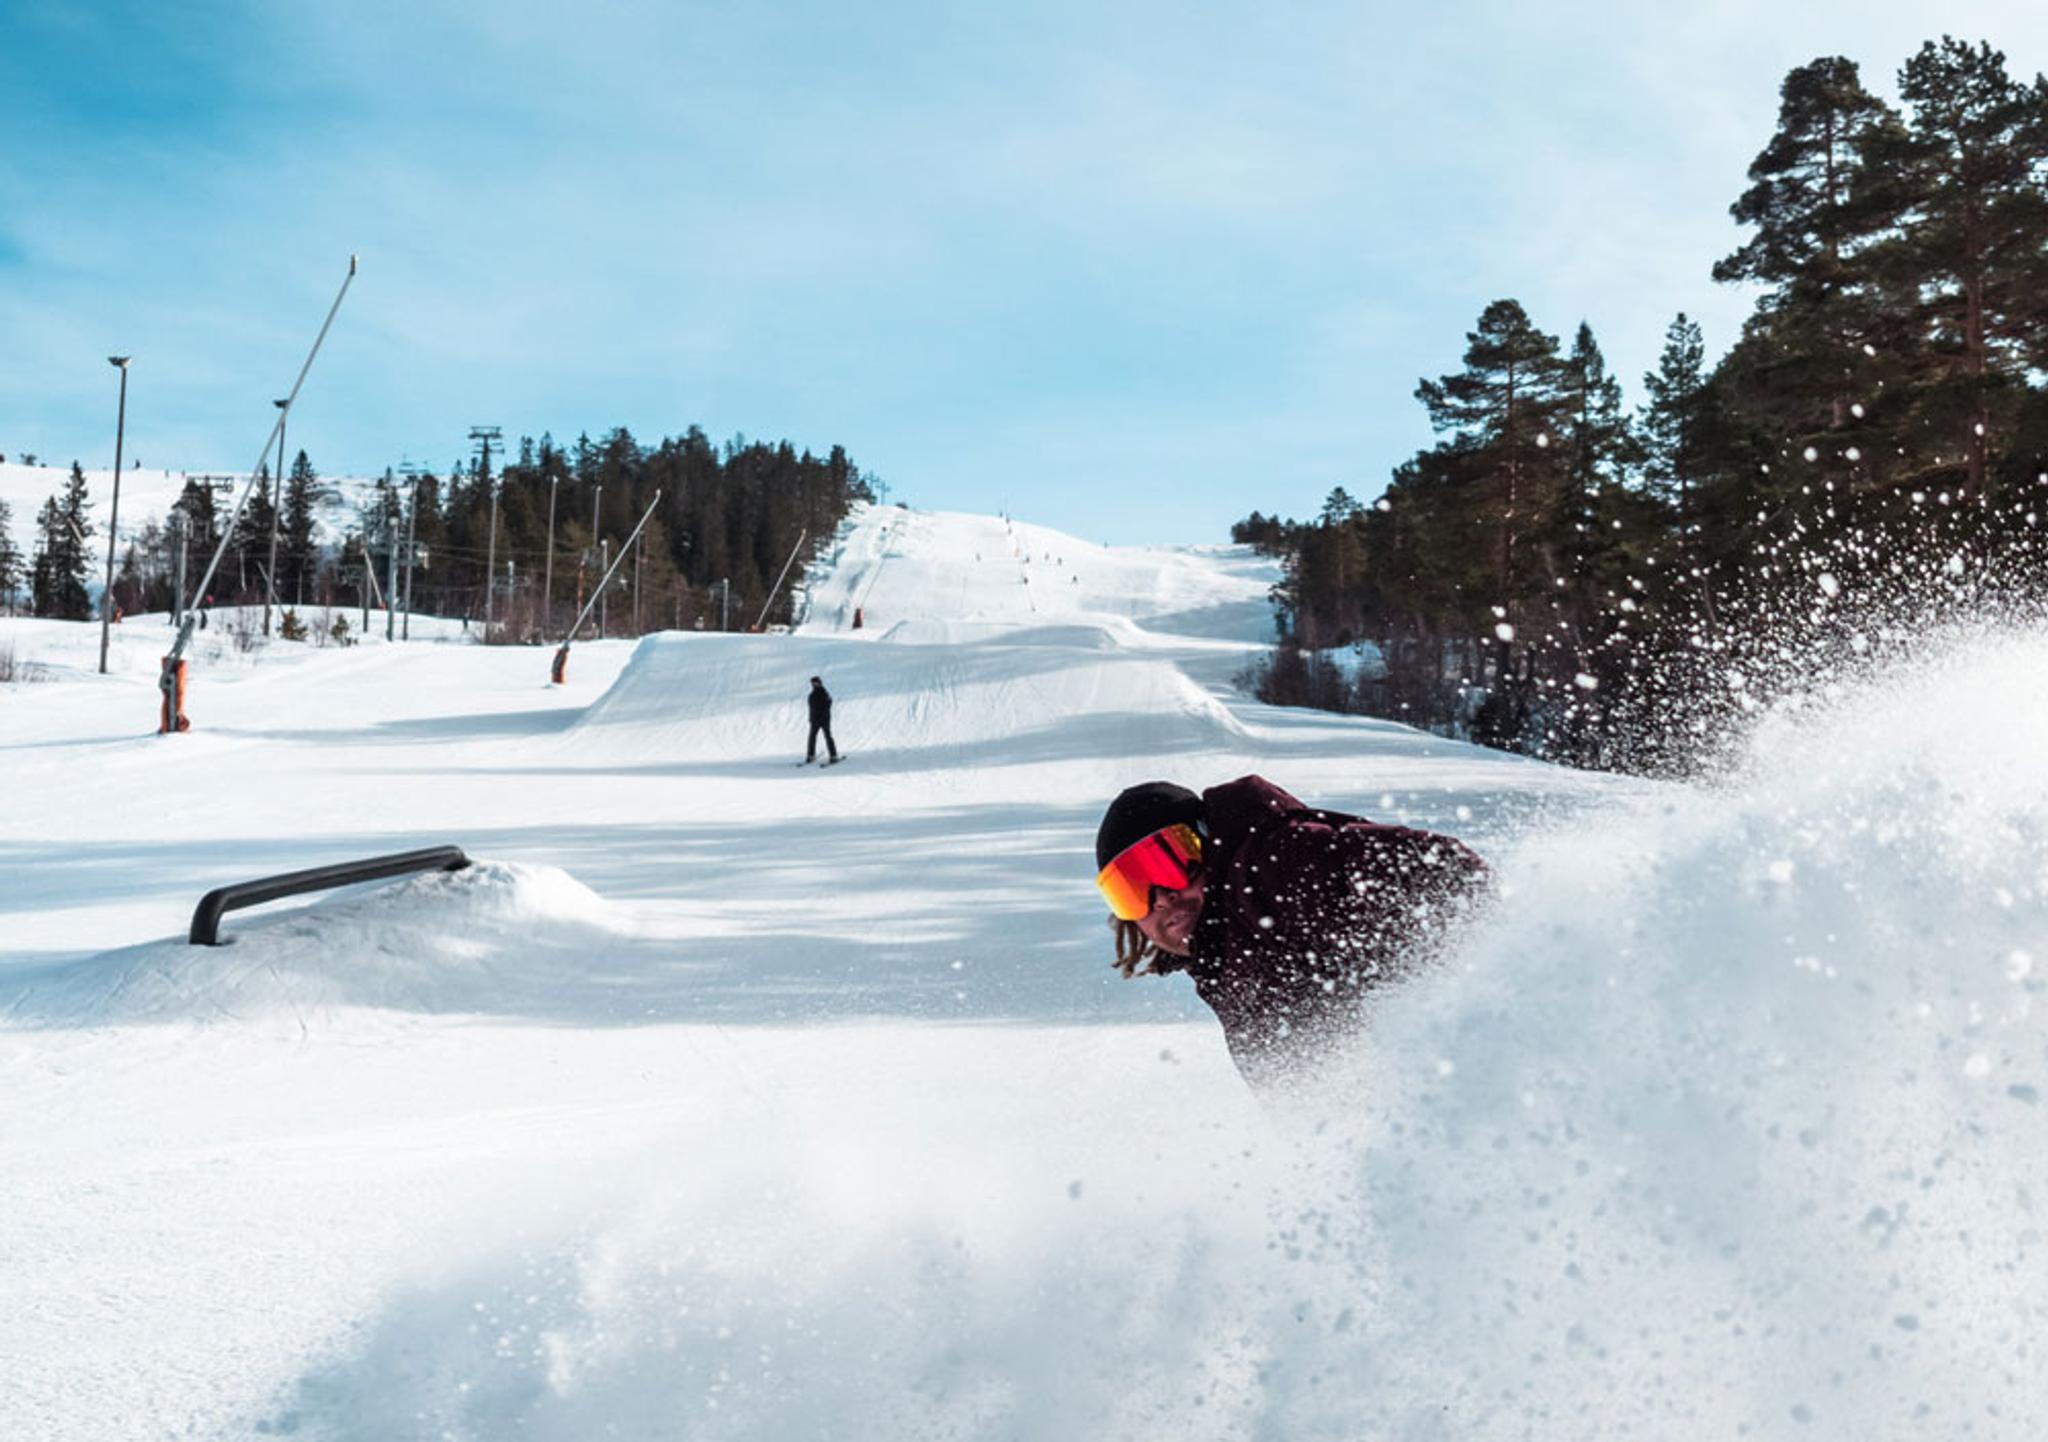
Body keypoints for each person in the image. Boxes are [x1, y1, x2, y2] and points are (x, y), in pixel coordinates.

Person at [1094, 775, 1489, 1088]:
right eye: (1131, 890)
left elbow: (1448, 872)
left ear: (1206, 842)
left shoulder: (1271, 865)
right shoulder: (1221, 955)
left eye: (1167, 864)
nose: (1160, 898)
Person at [806, 675, 839, 764]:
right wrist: (811, 718)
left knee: (828, 737)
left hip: (824, 720)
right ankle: (810, 755)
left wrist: (824, 716)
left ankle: (833, 755)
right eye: (813, 683)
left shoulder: (824, 693)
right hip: (814, 720)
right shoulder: (811, 695)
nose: (814, 684)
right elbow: (811, 708)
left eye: (815, 682)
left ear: (820, 683)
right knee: (812, 737)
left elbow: (828, 704)